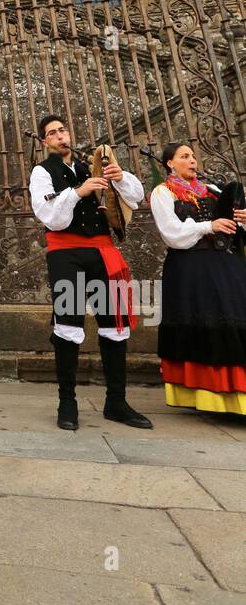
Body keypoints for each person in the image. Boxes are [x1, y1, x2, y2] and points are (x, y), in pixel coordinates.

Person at [29, 113, 152, 432]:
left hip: (103, 253)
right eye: (52, 133)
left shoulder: (92, 165)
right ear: (45, 142)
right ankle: (67, 403)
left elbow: (136, 199)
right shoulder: (42, 172)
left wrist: (120, 176)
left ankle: (116, 402)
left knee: (114, 325)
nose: (59, 136)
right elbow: (49, 216)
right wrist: (79, 191)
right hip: (65, 254)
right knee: (68, 326)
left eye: (62, 130)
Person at [150, 142, 246, 415]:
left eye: (193, 156)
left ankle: (239, 398)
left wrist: (242, 220)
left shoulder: (213, 192)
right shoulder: (163, 192)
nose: (192, 160)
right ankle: (211, 398)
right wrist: (209, 225)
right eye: (184, 156)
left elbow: (234, 229)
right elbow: (171, 233)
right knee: (206, 326)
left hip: (225, 263)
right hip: (190, 268)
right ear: (170, 163)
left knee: (236, 322)